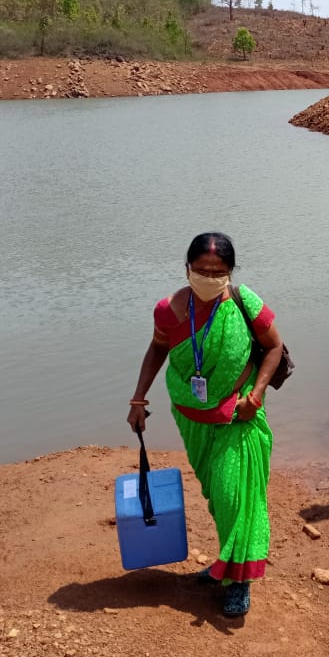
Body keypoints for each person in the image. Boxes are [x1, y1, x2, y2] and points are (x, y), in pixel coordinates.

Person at [127, 232, 283, 618]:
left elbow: (275, 347)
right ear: (187, 269)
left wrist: (257, 395)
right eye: (201, 270)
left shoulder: (246, 305)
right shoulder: (169, 310)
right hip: (191, 417)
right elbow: (158, 349)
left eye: (218, 272)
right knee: (216, 496)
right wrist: (137, 399)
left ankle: (238, 581)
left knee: (235, 497)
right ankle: (226, 564)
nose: (209, 277)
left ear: (230, 272)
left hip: (237, 415)